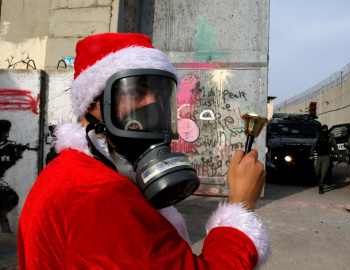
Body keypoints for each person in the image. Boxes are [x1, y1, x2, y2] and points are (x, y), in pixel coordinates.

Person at [17, 33, 270, 269]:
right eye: (137, 92)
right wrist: (241, 203)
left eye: (161, 97)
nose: (154, 108)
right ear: (93, 103)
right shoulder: (102, 195)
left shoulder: (74, 169)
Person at [310, 124, 340, 194]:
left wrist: (339, 156)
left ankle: (321, 186)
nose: (325, 131)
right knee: (317, 172)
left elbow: (335, 146)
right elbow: (314, 145)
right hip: (319, 156)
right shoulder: (319, 136)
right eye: (323, 129)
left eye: (326, 129)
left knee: (324, 172)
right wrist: (311, 153)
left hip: (326, 157)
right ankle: (318, 180)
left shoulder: (330, 137)